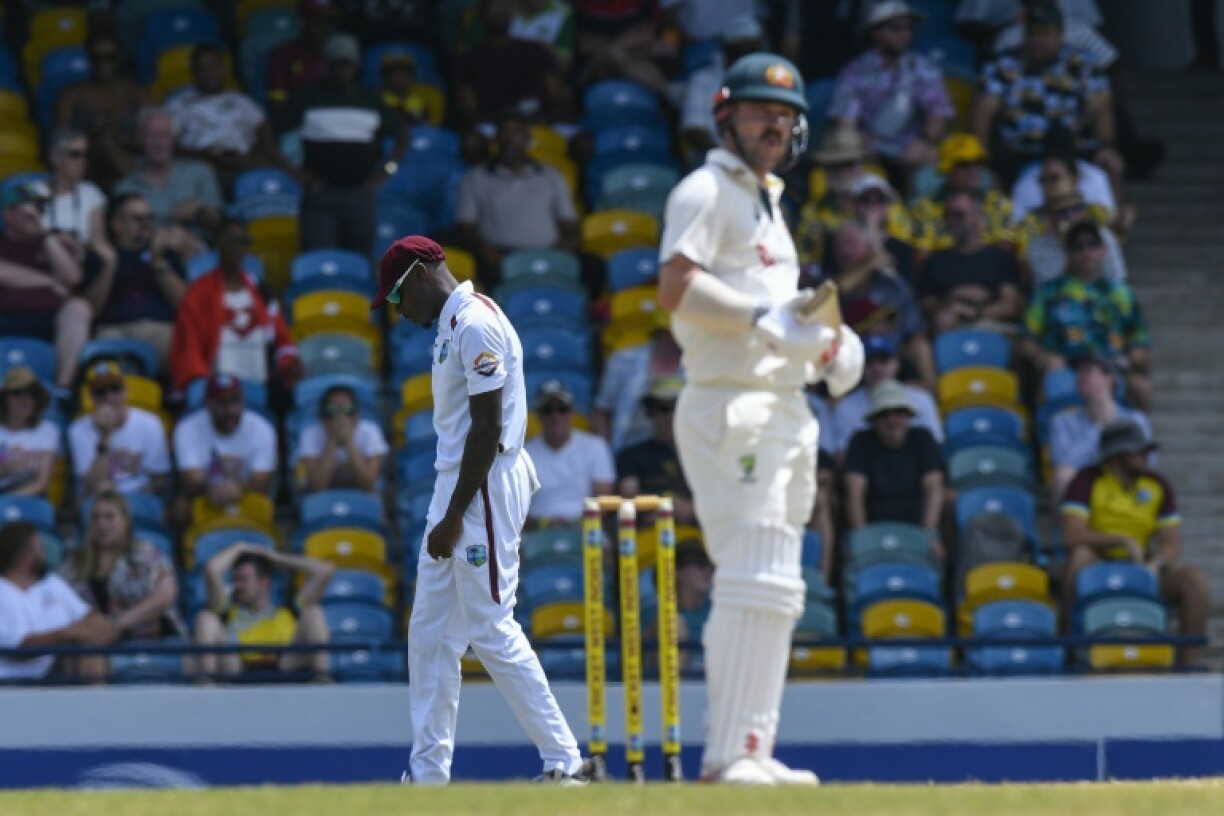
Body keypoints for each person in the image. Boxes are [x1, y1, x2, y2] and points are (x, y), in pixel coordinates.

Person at [656, 52, 865, 784]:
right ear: (725, 117)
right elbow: (676, 286)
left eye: (784, 117)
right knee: (748, 571)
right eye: (757, 113)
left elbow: (785, 322)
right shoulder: (705, 190)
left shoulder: (770, 203)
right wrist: (765, 317)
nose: (773, 126)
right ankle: (724, 757)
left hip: (781, 406)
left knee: (778, 580)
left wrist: (829, 349)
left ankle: (753, 747)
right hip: (729, 403)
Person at [369, 235, 587, 784]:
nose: (398, 313)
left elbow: (488, 429)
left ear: (420, 273)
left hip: (482, 486)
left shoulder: (474, 324)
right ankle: (427, 775)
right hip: (459, 486)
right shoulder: (451, 326)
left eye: (396, 300)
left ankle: (566, 761)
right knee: (430, 633)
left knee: (490, 626)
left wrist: (451, 517)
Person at [1061, 420, 1209, 666]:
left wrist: (1157, 562)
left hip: (1142, 564)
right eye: (1139, 451)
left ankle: (1187, 665)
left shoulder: (1158, 484)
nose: (1146, 456)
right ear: (1117, 454)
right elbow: (1071, 534)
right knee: (1079, 557)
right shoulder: (1086, 480)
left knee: (1194, 581)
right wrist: (1120, 540)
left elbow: (1171, 542)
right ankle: (1067, 647)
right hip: (1099, 560)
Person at [274, 34, 405, 255]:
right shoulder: (308, 98)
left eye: (347, 64)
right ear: (326, 65)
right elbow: (266, 132)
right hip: (321, 193)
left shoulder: (370, 100)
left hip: (360, 192)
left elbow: (403, 134)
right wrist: (295, 173)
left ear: (356, 65)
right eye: (337, 64)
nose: (342, 70)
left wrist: (386, 171)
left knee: (360, 261)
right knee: (318, 258)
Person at [971, 1, 1121, 189]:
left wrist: (1106, 145)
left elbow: (1101, 108)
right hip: (1019, 151)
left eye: (1045, 34)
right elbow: (982, 110)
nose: (1038, 40)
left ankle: (1116, 217)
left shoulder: (1082, 64)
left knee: (1110, 163)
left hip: (1075, 150)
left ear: (1060, 34)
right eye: (1032, 33)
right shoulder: (1003, 65)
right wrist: (980, 153)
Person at [1023, 221, 1150, 409]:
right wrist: (1043, 357)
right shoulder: (1048, 293)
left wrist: (1131, 358)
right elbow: (1026, 339)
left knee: (1141, 386)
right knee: (1051, 376)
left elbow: (1139, 338)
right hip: (1067, 364)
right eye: (1078, 246)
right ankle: (1047, 437)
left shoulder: (1121, 294)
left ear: (1103, 250)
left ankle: (1135, 435)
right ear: (1068, 253)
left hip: (1110, 364)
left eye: (1092, 244)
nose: (1086, 251)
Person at [829, 0, 954, 189]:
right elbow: (846, 122)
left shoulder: (922, 67)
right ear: (875, 32)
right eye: (895, 28)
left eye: (908, 28)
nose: (904, 34)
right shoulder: (855, 71)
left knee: (930, 155)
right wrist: (860, 142)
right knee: (847, 148)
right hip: (869, 145)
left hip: (911, 145)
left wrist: (924, 140)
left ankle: (918, 213)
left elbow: (939, 113)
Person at [170, 219, 302, 395]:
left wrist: (289, 363)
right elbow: (190, 348)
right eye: (233, 242)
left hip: (259, 384)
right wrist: (202, 385)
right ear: (218, 245)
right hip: (218, 389)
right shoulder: (199, 293)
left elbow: (280, 337)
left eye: (244, 243)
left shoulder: (260, 289)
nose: (239, 249)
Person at [454, 110, 580, 288]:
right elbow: (465, 225)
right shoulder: (476, 177)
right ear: (496, 139)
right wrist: (484, 250)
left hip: (547, 251)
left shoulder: (551, 175)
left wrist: (566, 245)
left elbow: (568, 221)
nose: (509, 140)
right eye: (504, 133)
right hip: (499, 256)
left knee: (591, 265)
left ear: (527, 138)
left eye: (516, 133)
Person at [165, 43, 299, 192]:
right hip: (202, 168)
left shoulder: (243, 102)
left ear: (223, 68)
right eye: (202, 68)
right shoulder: (178, 105)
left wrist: (245, 158)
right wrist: (203, 155)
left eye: (213, 67)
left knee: (272, 170)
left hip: (243, 164)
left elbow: (267, 140)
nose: (208, 73)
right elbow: (168, 145)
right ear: (194, 72)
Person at [0, 180, 92, 390]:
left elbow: (72, 279)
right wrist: (49, 281)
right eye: (30, 210)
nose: (37, 215)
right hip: (4, 317)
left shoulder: (55, 243)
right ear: (9, 213)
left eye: (41, 209)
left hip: (47, 321)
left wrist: (47, 238)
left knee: (79, 308)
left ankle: (62, 389)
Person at [193, 543, 335, 679]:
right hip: (238, 668)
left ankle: (321, 678)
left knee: (314, 612)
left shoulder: (290, 611)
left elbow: (325, 570)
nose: (237, 586)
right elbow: (212, 570)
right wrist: (240, 547)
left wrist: (274, 558)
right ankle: (207, 682)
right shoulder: (226, 611)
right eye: (235, 580)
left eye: (243, 579)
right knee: (206, 618)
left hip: (285, 665)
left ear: (265, 582)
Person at [60, 488, 185, 642]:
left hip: (152, 638)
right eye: (95, 518)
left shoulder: (146, 554)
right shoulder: (75, 564)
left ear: (126, 521)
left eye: (109, 517)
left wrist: (117, 624)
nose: (101, 524)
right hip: (95, 644)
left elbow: (166, 595)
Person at [0, 521, 117, 683]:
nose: (44, 553)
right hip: (11, 685)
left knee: (89, 650)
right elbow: (18, 649)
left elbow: (89, 615)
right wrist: (68, 633)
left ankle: (95, 706)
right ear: (27, 556)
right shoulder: (2, 591)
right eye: (40, 548)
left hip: (53, 674)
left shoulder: (51, 582)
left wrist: (98, 629)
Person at [82, 193, 188, 371]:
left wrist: (158, 262)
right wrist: (110, 263)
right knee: (103, 355)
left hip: (161, 330)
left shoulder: (166, 254)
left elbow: (185, 305)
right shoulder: (100, 257)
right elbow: (92, 310)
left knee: (189, 343)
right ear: (117, 224)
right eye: (138, 219)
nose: (147, 224)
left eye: (150, 218)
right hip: (114, 331)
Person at [842, 381, 946, 558]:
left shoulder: (923, 438)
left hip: (917, 524)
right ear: (874, 420)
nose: (892, 420)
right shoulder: (860, 441)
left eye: (898, 413)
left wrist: (929, 533)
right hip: (873, 524)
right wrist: (861, 536)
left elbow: (934, 487)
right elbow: (854, 493)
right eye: (884, 414)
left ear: (908, 416)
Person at [114, 106, 224, 255]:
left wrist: (200, 209)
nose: (159, 143)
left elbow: (219, 224)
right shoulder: (126, 187)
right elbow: (125, 236)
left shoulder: (200, 172)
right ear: (140, 140)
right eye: (152, 136)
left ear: (174, 140)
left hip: (200, 255)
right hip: (149, 257)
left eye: (165, 135)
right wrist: (165, 236)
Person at [916, 190, 1025, 336]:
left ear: (977, 215)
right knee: (943, 319)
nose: (953, 220)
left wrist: (974, 312)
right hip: (949, 325)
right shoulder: (936, 261)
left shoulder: (1001, 258)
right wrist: (952, 299)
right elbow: (926, 304)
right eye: (948, 215)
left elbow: (1010, 306)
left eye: (959, 215)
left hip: (993, 326)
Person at [54, 31, 152, 191]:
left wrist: (118, 138)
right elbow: (59, 141)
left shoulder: (137, 93)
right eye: (96, 58)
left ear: (120, 58)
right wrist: (92, 137)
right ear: (89, 59)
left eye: (110, 57)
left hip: (131, 161)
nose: (103, 64)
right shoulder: (71, 95)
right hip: (87, 166)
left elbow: (154, 137)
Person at [172, 374, 277, 523]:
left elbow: (261, 481)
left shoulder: (262, 428)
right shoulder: (187, 427)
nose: (230, 411)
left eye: (235, 402)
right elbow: (192, 481)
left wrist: (239, 488)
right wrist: (212, 489)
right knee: (180, 508)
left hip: (247, 495)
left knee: (268, 507)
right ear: (209, 404)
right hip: (205, 496)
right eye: (223, 403)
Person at [1048, 351, 1151, 502]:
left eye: (1088, 370)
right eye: (1079, 371)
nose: (1080, 376)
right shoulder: (1061, 421)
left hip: (1123, 481)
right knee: (1062, 475)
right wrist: (1098, 427)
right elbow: (1062, 463)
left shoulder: (1136, 419)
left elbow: (1148, 462)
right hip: (1083, 481)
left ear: (1109, 379)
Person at [830, 335, 943, 461]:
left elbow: (935, 447)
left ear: (897, 363)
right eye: (869, 362)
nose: (877, 368)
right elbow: (843, 457)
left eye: (883, 360)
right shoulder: (845, 407)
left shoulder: (921, 398)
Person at [68, 361, 171, 498]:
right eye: (101, 392)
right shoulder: (78, 430)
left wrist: (126, 502)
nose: (109, 397)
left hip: (139, 496)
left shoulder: (150, 423)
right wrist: (105, 436)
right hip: (98, 500)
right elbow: (91, 485)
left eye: (115, 389)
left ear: (126, 392)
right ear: (91, 398)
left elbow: (160, 479)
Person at [523, 380, 615, 529]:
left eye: (562, 409)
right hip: (536, 531)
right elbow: (515, 508)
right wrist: (544, 524)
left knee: (605, 550)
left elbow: (604, 501)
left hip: (585, 528)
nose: (555, 416)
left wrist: (577, 523)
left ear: (572, 413)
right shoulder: (524, 454)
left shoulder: (595, 446)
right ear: (538, 415)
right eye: (548, 410)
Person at [680, 14, 766, 161]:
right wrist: (728, 161)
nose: (745, 57)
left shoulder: (770, 80)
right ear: (726, 50)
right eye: (739, 50)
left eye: (751, 50)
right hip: (714, 160)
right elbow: (694, 131)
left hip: (760, 159)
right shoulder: (702, 79)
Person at [615, 376, 697, 526]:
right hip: (650, 535)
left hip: (699, 539)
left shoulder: (704, 455)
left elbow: (720, 496)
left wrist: (693, 511)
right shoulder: (631, 455)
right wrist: (666, 503)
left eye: (676, 407)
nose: (669, 416)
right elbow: (629, 496)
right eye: (663, 408)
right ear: (650, 412)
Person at [298, 382, 389, 494]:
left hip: (362, 496)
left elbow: (368, 485)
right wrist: (333, 440)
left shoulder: (370, 431)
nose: (341, 417)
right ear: (323, 417)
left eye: (348, 410)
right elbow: (318, 486)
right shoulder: (310, 434)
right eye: (332, 411)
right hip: (323, 498)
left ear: (357, 415)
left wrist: (349, 441)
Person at [43, 128, 107, 252]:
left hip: (81, 259)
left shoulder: (92, 193)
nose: (82, 161)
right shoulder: (31, 191)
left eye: (86, 155)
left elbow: (98, 242)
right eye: (75, 154)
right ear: (55, 157)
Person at [0, 367, 60, 498]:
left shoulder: (47, 429)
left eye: (31, 393)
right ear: (5, 399)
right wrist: (6, 468)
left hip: (30, 498)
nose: (25, 400)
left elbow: (42, 483)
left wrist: (8, 501)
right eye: (18, 393)